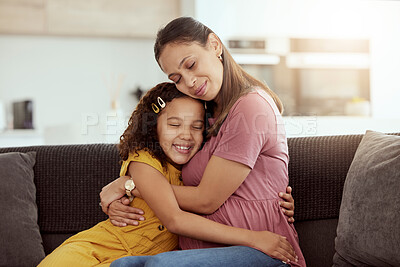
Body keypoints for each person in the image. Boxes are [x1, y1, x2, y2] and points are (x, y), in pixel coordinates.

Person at [107, 17, 305, 267]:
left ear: (214, 45)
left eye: (190, 64)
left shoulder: (250, 106)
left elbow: (206, 199)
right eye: (176, 78)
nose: (188, 82)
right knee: (122, 265)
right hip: (206, 253)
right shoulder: (204, 118)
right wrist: (128, 190)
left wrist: (130, 185)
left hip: (263, 251)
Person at [37, 82, 297, 267]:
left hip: (133, 261)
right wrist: (132, 183)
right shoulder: (143, 160)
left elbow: (238, 177)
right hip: (96, 248)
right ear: (153, 128)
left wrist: (277, 201)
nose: (186, 134)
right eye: (174, 125)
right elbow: (175, 219)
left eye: (196, 127)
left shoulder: (198, 166)